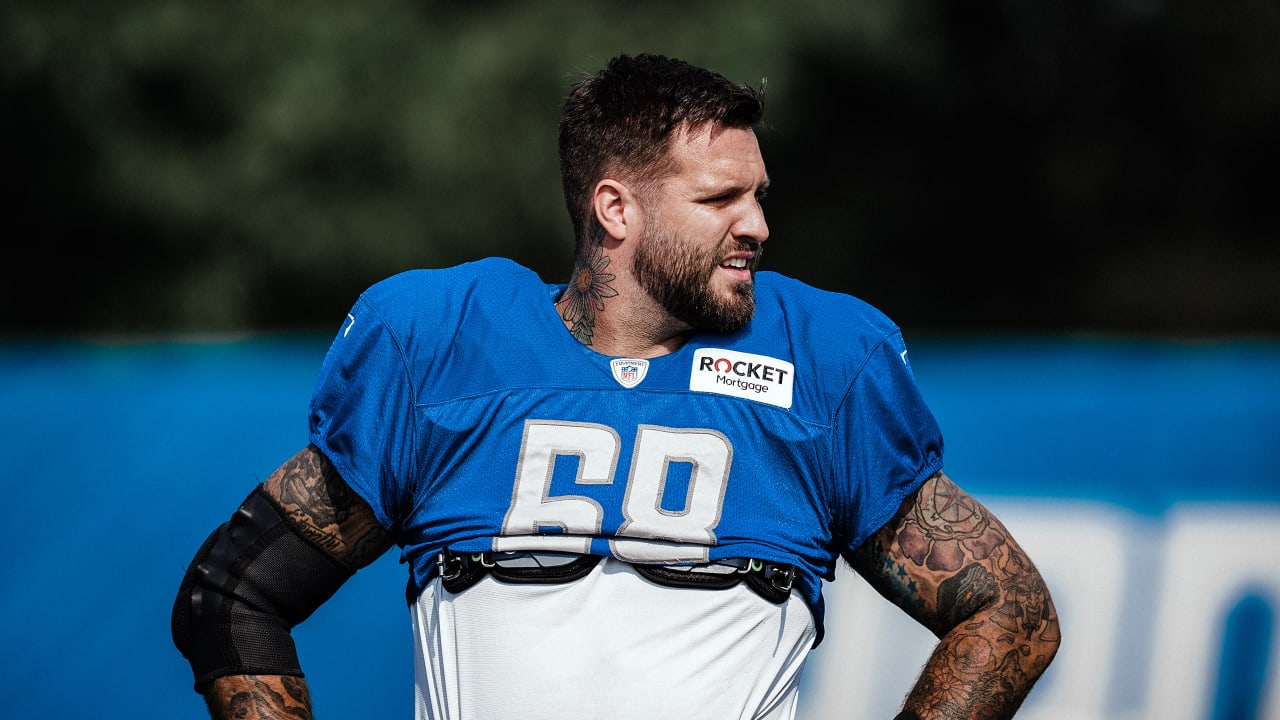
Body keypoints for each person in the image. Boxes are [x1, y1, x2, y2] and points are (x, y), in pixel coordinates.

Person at [172, 52, 1059, 720]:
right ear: (616, 208)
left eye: (758, 195)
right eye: (719, 199)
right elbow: (232, 596)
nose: (757, 224)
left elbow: (1008, 608)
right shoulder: (444, 345)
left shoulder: (820, 362)